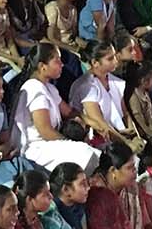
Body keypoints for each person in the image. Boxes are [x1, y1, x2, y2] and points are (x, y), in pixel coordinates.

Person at [15, 43, 101, 174]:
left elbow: (70, 112)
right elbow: (45, 131)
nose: (62, 64)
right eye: (57, 61)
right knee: (88, 154)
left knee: (99, 150)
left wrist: (95, 125)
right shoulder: (34, 88)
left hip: (51, 144)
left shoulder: (49, 88)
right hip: (37, 149)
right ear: (42, 66)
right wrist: (71, 143)